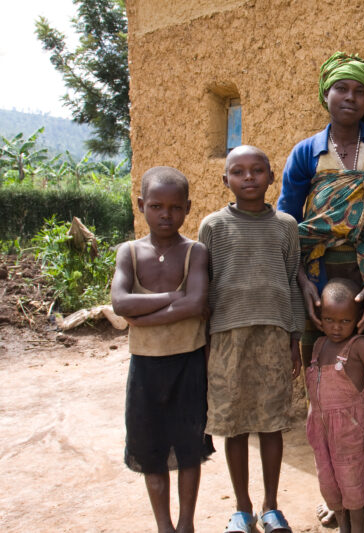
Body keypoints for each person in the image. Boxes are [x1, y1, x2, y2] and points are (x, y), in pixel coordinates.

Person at [278, 51, 364, 533]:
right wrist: (302, 283)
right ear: (326, 94)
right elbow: (287, 225)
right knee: (329, 392)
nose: (350, 98)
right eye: (342, 89)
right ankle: (337, 491)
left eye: (360, 91)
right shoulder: (306, 153)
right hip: (319, 286)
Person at [198, 145, 305, 533]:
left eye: (257, 170)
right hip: (227, 338)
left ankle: (271, 506)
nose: (248, 178)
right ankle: (242, 509)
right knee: (236, 424)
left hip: (274, 335)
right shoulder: (213, 226)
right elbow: (204, 287)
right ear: (224, 179)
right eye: (238, 171)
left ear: (271, 177)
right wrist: (206, 344)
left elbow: (292, 281)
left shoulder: (286, 226)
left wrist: (295, 337)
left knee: (272, 423)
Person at [111, 166, 214, 533]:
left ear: (188, 208)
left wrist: (144, 317)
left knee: (189, 447)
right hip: (145, 369)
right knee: (150, 450)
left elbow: (197, 302)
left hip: (188, 364)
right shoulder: (129, 253)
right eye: (156, 206)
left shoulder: (195, 252)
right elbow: (120, 303)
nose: (165, 215)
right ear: (141, 205)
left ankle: (186, 524)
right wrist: (174, 296)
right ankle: (164, 527)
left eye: (174, 207)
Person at [305, 278, 364, 533]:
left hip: (349, 432)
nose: (336, 327)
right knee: (328, 483)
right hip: (321, 431)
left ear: (358, 318)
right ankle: (343, 526)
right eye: (329, 320)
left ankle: (357, 528)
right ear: (320, 317)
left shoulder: (359, 346)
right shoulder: (319, 345)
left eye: (345, 321)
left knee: (351, 485)